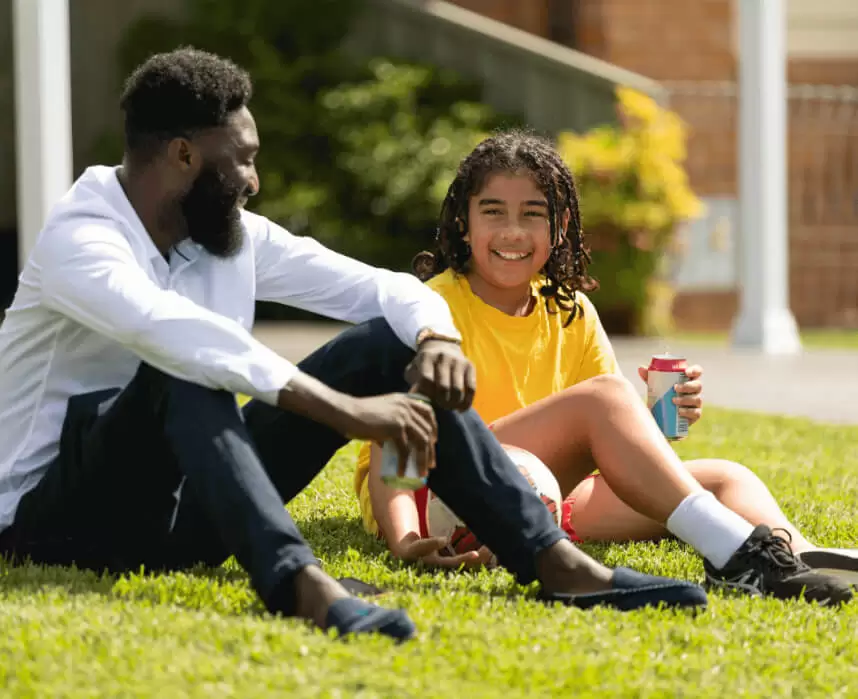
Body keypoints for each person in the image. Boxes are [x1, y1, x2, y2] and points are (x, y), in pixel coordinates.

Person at [0, 49, 719, 642]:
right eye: (242, 159)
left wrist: (435, 337)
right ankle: (300, 583)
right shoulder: (82, 238)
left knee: (383, 342)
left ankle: (552, 559)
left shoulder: (222, 235)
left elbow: (379, 288)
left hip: (186, 512)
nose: (255, 178)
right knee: (182, 371)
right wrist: (349, 413)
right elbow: (180, 338)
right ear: (184, 154)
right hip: (53, 520)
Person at [355, 129, 856, 604]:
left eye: (533, 214)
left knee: (725, 478)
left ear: (561, 226)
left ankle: (795, 555)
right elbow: (393, 440)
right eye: (493, 212)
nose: (513, 231)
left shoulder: (570, 311)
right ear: (464, 223)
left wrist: (658, 421)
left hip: (542, 495)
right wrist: (406, 536)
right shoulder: (427, 307)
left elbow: (601, 442)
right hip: (435, 495)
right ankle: (734, 558)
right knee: (602, 398)